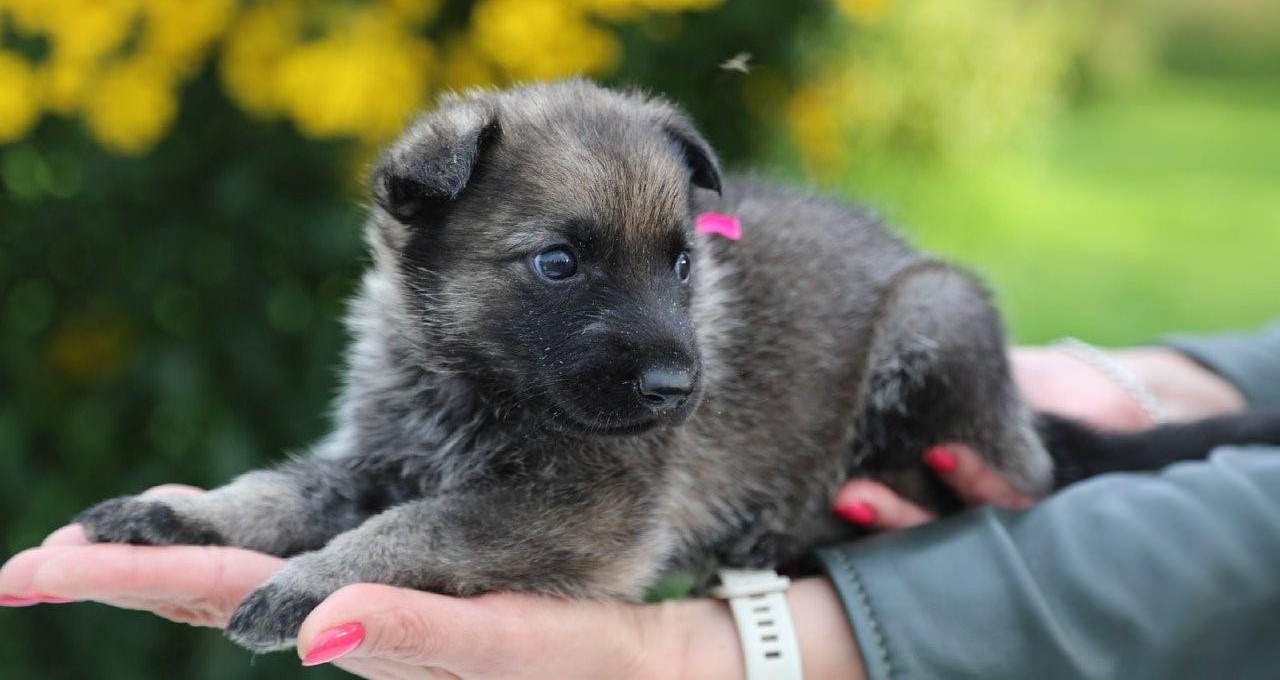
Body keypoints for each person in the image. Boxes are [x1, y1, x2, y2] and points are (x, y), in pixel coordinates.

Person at [2, 323, 1278, 679]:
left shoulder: (636, 373)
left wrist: (741, 650)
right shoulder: (414, 333)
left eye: (673, 262)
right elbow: (363, 469)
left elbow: (573, 527)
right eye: (556, 265)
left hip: (871, 442)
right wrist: (230, 518)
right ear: (415, 222)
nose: (663, 345)